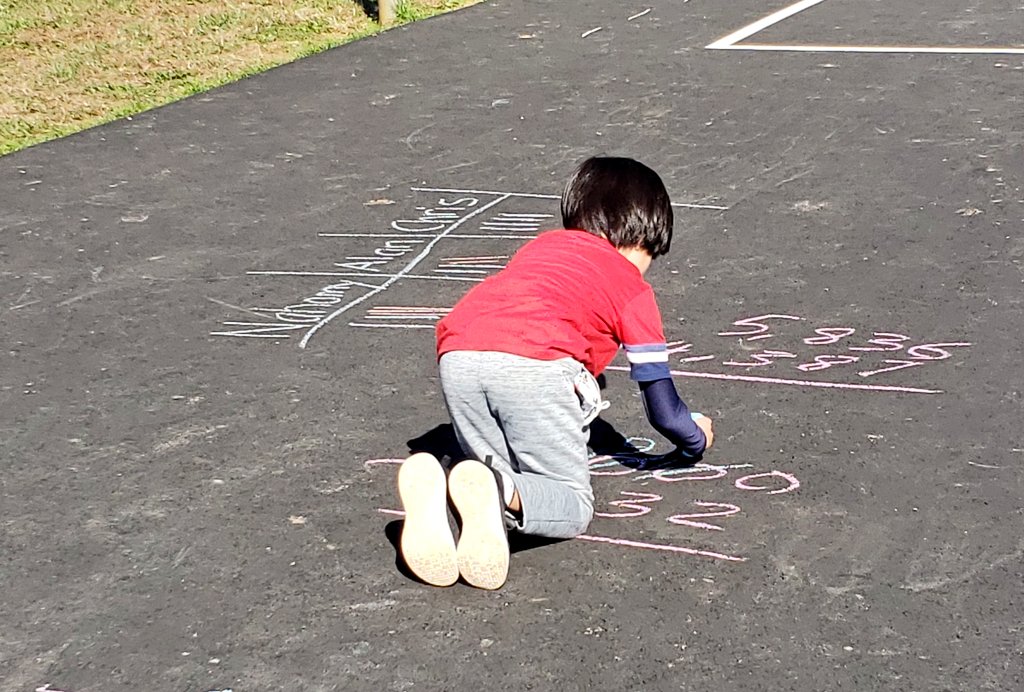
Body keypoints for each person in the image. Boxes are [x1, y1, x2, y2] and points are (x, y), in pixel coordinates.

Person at [396, 156, 714, 590]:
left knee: (499, 464)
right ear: (646, 236)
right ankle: (492, 490)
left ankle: (452, 491)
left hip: (458, 351)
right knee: (569, 501)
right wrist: (695, 439)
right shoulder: (632, 288)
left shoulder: (540, 248)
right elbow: (663, 409)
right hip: (537, 365)